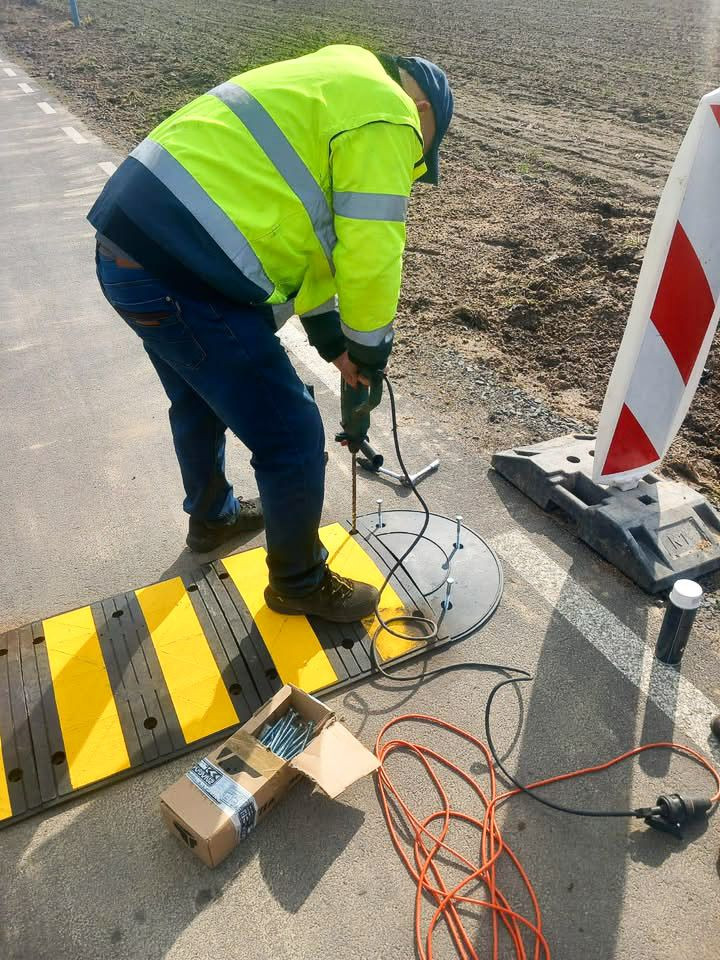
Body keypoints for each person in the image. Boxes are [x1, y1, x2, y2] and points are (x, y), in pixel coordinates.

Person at [88, 44, 453, 623]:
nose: (415, 159)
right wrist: (369, 352)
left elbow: (311, 246)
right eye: (423, 153)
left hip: (129, 252)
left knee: (198, 398)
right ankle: (298, 582)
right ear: (425, 111)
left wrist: (333, 344)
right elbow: (371, 254)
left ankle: (212, 518)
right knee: (291, 434)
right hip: (183, 277)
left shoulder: (335, 81)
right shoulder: (389, 114)